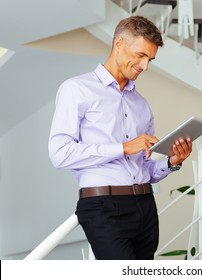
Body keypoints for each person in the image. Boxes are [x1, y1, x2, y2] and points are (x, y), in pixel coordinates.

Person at [48, 16, 192, 260]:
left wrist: (171, 162)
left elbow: (144, 167)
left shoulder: (141, 104)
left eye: (150, 59)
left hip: (145, 206)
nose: (145, 66)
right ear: (118, 45)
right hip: (103, 207)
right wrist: (123, 147)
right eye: (140, 55)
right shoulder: (76, 89)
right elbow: (59, 154)